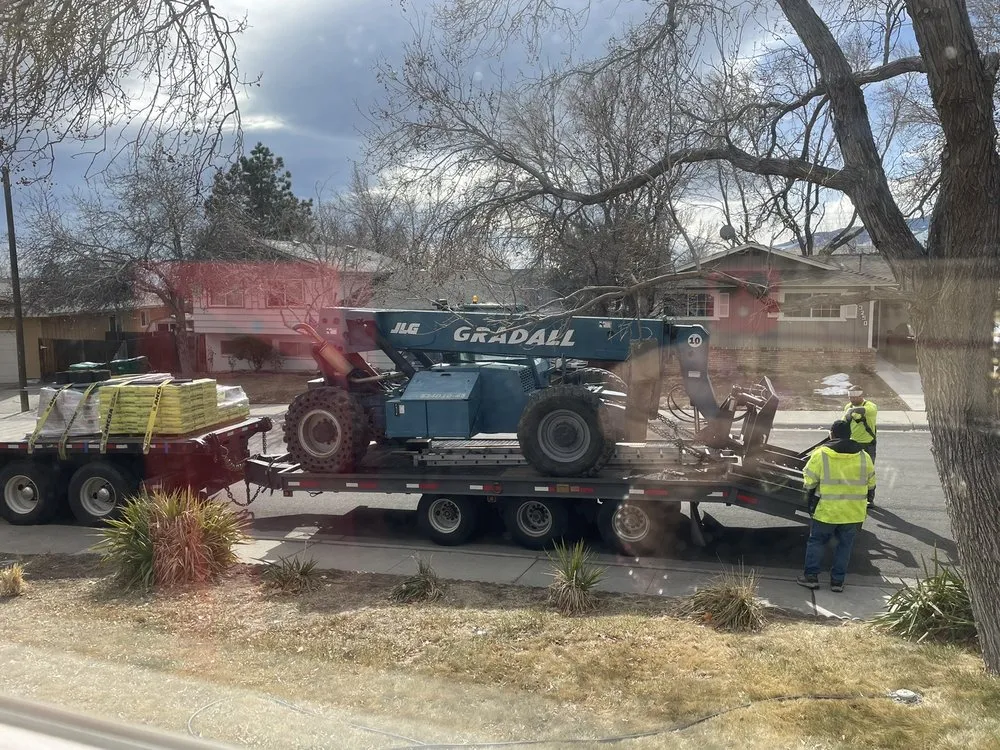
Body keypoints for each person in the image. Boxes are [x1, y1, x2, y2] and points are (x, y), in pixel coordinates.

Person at [797, 419, 875, 593]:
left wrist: (810, 497)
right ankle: (837, 582)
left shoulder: (821, 454)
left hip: (827, 511)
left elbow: (809, 482)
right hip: (853, 513)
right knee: (845, 546)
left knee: (816, 542)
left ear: (831, 434)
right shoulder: (864, 456)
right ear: (850, 434)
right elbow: (871, 484)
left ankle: (811, 577)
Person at [844, 386, 877, 506]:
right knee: (851, 471)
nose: (851, 400)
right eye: (849, 397)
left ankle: (870, 499)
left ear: (861, 396)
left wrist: (852, 411)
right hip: (852, 443)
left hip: (868, 444)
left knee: (868, 471)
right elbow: (845, 423)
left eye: (854, 397)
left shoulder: (871, 406)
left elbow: (863, 411)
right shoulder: (848, 407)